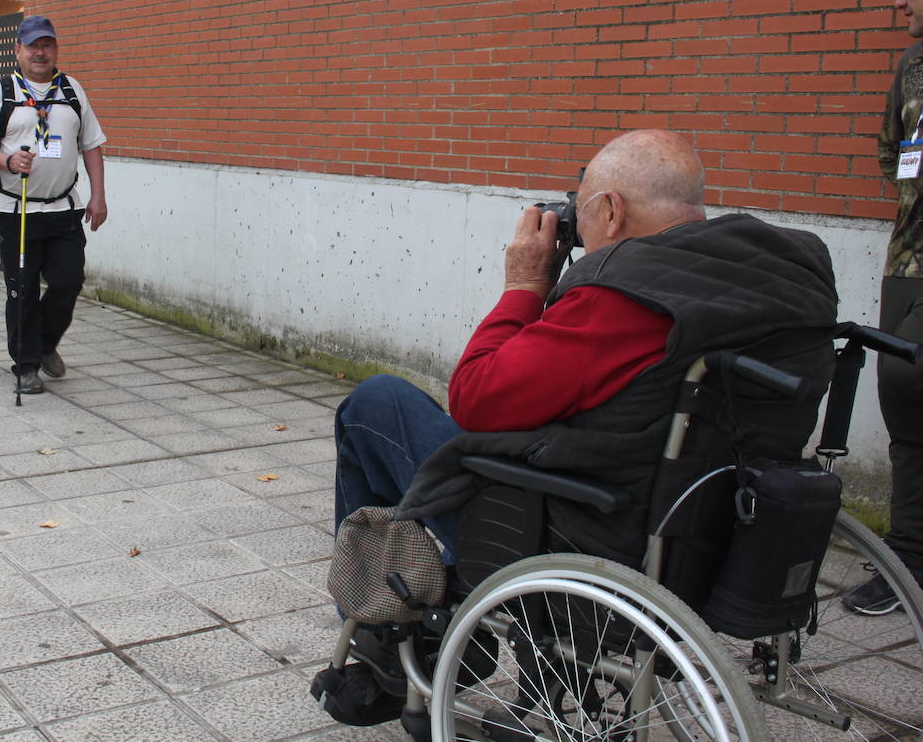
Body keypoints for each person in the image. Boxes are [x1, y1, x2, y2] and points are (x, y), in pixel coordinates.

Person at [322, 130, 838, 721]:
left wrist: (524, 286)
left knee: (375, 403)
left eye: (584, 215)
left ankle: (387, 634)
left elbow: (477, 398)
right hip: (718, 529)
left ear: (612, 210)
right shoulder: (778, 280)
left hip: (583, 529)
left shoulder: (625, 294)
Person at [0, 15, 107, 395]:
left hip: (64, 208)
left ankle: (45, 343)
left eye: (46, 45)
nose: (40, 52)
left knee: (68, 281)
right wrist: (8, 161)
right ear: (18, 50)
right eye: (32, 45)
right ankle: (26, 364)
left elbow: (92, 145)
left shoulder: (72, 90)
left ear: (56, 50)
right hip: (16, 209)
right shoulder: (2, 92)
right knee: (23, 287)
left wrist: (98, 195)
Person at [856, 0, 923, 615]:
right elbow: (891, 153)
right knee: (906, 402)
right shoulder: (911, 68)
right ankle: (909, 564)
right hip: (912, 266)